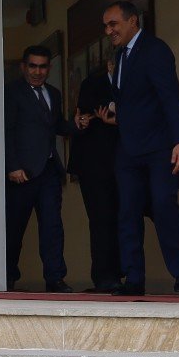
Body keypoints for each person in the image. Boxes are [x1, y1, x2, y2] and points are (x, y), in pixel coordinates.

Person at [101, 0, 179, 295]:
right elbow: (132, 100)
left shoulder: (155, 50)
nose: (109, 31)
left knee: (163, 205)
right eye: (106, 26)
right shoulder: (120, 55)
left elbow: (170, 97)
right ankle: (134, 279)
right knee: (128, 212)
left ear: (133, 21)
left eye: (113, 24)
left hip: (159, 147)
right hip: (128, 148)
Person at [4, 44, 77, 292]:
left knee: (52, 226)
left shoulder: (53, 94)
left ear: (49, 68)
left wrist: (76, 125)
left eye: (42, 67)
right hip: (21, 173)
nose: (37, 72)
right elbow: (6, 131)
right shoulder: (12, 92)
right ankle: (7, 277)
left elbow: (56, 126)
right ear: (23, 67)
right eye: (33, 66)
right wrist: (12, 166)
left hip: (48, 170)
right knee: (14, 228)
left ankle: (55, 278)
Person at [70, 57, 124, 292]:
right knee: (102, 220)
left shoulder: (132, 83)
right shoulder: (92, 83)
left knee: (124, 218)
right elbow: (94, 108)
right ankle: (104, 277)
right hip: (93, 165)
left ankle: (124, 273)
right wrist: (114, 111)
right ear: (111, 65)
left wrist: (115, 114)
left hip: (123, 163)